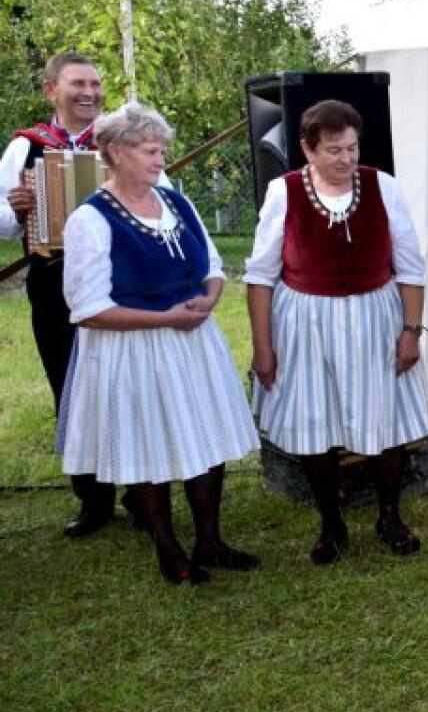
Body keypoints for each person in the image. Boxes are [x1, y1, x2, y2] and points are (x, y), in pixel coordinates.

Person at [58, 103, 258, 584]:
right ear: (115, 152)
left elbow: (212, 265)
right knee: (147, 445)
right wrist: (163, 318)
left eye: (161, 151)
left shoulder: (176, 202)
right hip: (133, 349)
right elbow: (88, 308)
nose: (160, 160)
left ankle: (209, 540)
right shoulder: (90, 220)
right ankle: (168, 550)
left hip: (192, 342)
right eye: (150, 151)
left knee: (206, 437)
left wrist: (209, 298)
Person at [245, 100, 428, 564]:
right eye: (334, 150)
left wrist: (411, 331)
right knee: (313, 420)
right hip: (305, 323)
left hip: (374, 318)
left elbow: (411, 267)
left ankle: (389, 516)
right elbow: (260, 276)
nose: (346, 158)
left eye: (352, 147)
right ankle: (332, 523)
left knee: (384, 418)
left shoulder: (383, 187)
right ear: (308, 149)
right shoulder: (284, 192)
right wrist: (263, 347)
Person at [0, 53, 139, 537]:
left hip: (122, 278)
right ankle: (93, 498)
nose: (90, 93)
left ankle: (143, 492)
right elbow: (1, 224)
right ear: (50, 90)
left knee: (128, 382)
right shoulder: (26, 147)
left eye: (95, 84)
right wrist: (17, 209)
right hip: (53, 281)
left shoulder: (122, 139)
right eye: (78, 83)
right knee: (71, 385)